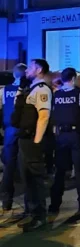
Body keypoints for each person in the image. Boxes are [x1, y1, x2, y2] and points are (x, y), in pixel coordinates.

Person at [49, 67, 80, 214]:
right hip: (76, 135)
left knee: (60, 171)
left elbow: (52, 112)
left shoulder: (56, 95)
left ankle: (54, 204)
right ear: (73, 79)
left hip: (60, 136)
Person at [15, 59, 52, 232]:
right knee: (27, 179)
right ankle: (31, 212)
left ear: (39, 70)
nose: (27, 70)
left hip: (32, 140)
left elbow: (44, 116)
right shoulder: (31, 88)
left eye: (30, 67)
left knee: (36, 180)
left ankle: (39, 216)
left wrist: (37, 141)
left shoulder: (42, 89)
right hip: (24, 139)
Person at [0, 63, 26, 212]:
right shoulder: (28, 89)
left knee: (9, 166)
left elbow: (2, 109)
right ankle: (29, 203)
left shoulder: (4, 90)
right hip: (23, 129)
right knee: (25, 165)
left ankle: (6, 200)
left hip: (9, 130)